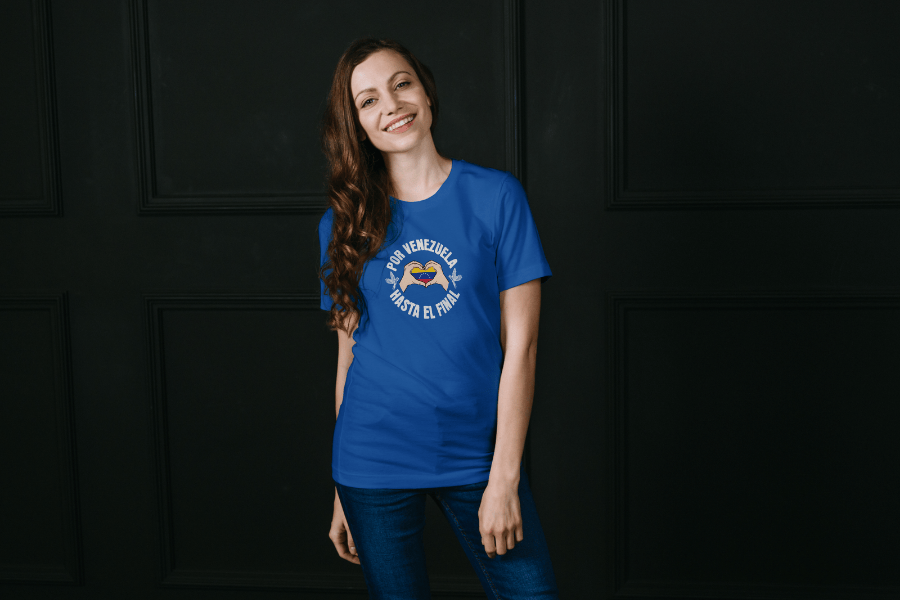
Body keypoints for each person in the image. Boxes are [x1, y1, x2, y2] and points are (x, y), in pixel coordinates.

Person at [317, 37, 560, 599]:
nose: (392, 105)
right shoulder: (344, 223)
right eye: (368, 100)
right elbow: (347, 358)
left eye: (401, 84)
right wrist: (339, 489)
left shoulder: (497, 197)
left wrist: (505, 477)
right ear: (356, 123)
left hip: (476, 456)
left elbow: (520, 349)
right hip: (370, 462)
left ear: (425, 92)